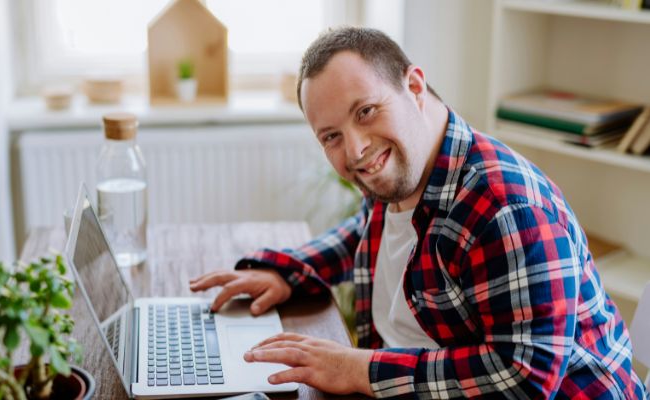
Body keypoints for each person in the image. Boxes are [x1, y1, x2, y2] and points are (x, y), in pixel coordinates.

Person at [189, 27, 646, 399]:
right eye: (330, 136)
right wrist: (289, 273)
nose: (355, 149)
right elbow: (369, 232)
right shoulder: (403, 169)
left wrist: (360, 370)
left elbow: (524, 380)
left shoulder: (505, 208)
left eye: (366, 111)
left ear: (413, 86)